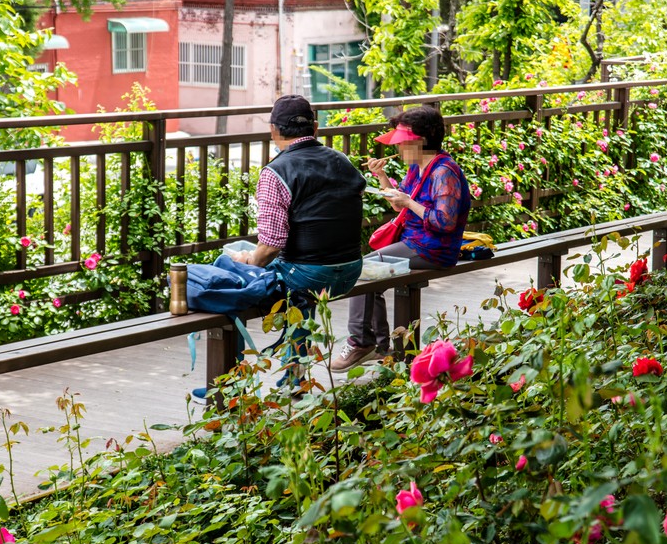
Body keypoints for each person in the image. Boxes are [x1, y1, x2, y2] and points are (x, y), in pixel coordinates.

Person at [194, 94, 365, 398]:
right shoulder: (342, 160)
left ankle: (229, 385)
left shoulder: (276, 172)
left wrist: (246, 263)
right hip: (350, 269)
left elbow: (271, 246)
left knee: (229, 279)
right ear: (315, 127)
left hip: (309, 274)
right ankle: (294, 378)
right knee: (283, 283)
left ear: (273, 130)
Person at [330, 106, 471, 371]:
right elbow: (400, 205)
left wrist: (408, 201)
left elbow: (445, 222)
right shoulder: (418, 167)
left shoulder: (444, 172)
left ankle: (361, 342)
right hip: (415, 243)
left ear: (419, 142)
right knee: (371, 272)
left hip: (434, 249)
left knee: (363, 269)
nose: (398, 147)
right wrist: (381, 177)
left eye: (402, 142)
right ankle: (381, 347)